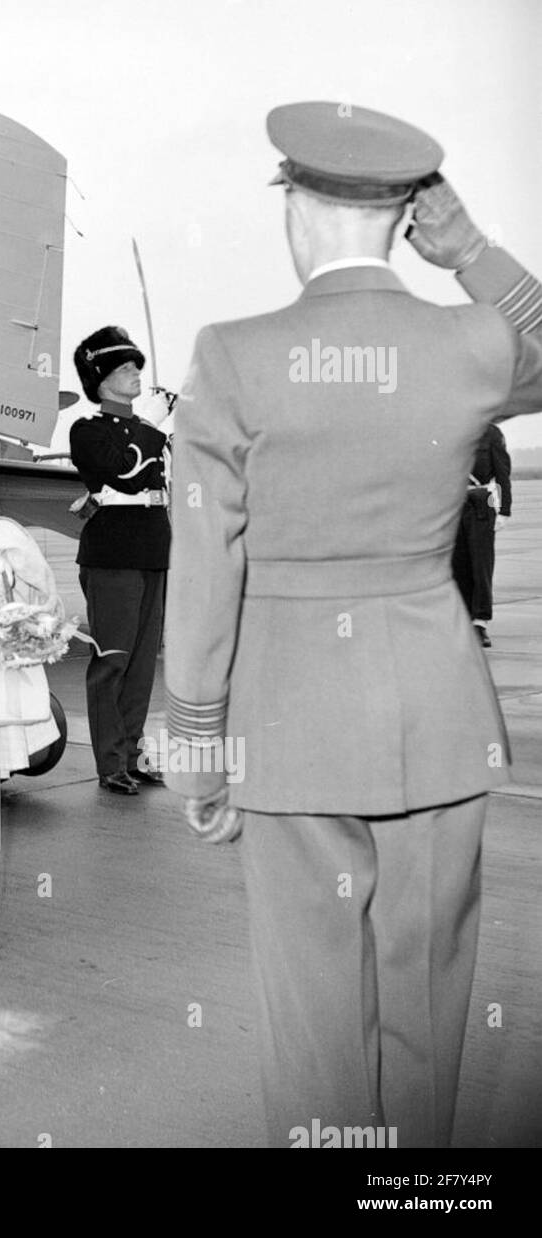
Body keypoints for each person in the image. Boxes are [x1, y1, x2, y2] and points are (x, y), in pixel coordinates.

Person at [163, 100, 542, 1148]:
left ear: (294, 203)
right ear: (403, 216)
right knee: (425, 1005)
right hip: (438, 717)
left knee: (314, 1019)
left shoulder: (233, 356)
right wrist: (469, 252)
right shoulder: (470, 341)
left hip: (287, 728)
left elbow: (204, 565)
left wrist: (196, 745)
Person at [69, 328, 172, 795]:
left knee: (143, 664)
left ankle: (131, 754)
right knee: (113, 660)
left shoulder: (151, 429)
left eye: (136, 367)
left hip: (151, 546)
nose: (136, 375)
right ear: (103, 379)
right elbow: (127, 475)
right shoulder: (87, 430)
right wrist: (149, 427)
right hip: (112, 551)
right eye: (127, 368)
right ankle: (110, 762)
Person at [452, 422, 511, 647]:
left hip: (482, 504)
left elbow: (502, 476)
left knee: (481, 565)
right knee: (459, 566)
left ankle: (480, 623)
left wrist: (504, 510)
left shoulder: (491, 433)